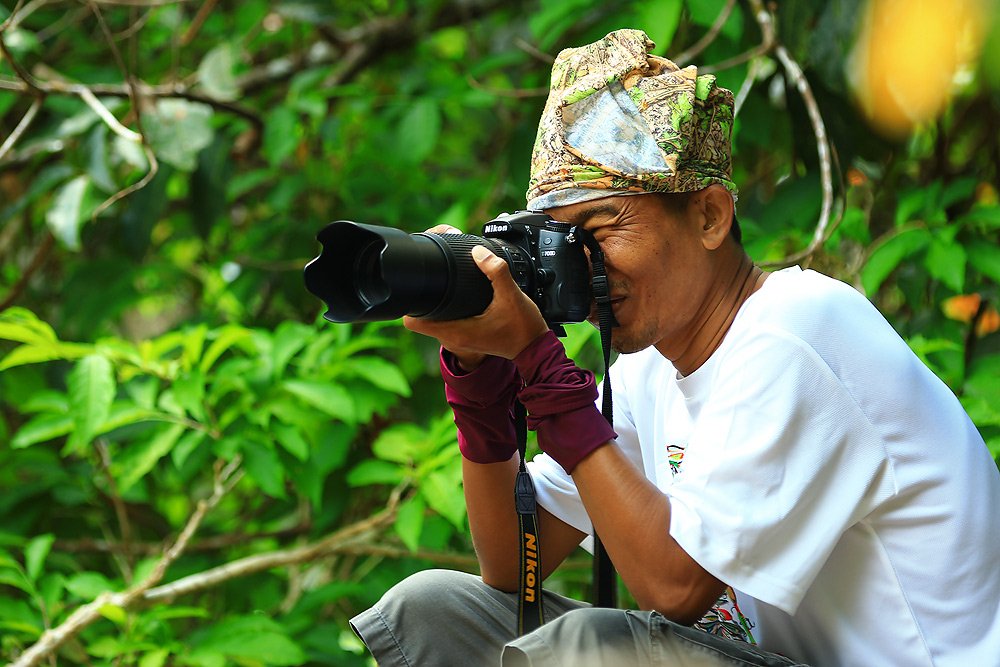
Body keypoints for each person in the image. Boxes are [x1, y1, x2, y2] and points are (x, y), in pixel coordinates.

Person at [349, 29, 1000, 666]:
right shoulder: (646, 366)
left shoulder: (795, 332)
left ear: (710, 216)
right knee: (428, 606)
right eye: (562, 241)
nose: (583, 267)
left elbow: (674, 587)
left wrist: (539, 366)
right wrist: (478, 380)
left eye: (600, 229)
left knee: (582, 649)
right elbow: (512, 559)